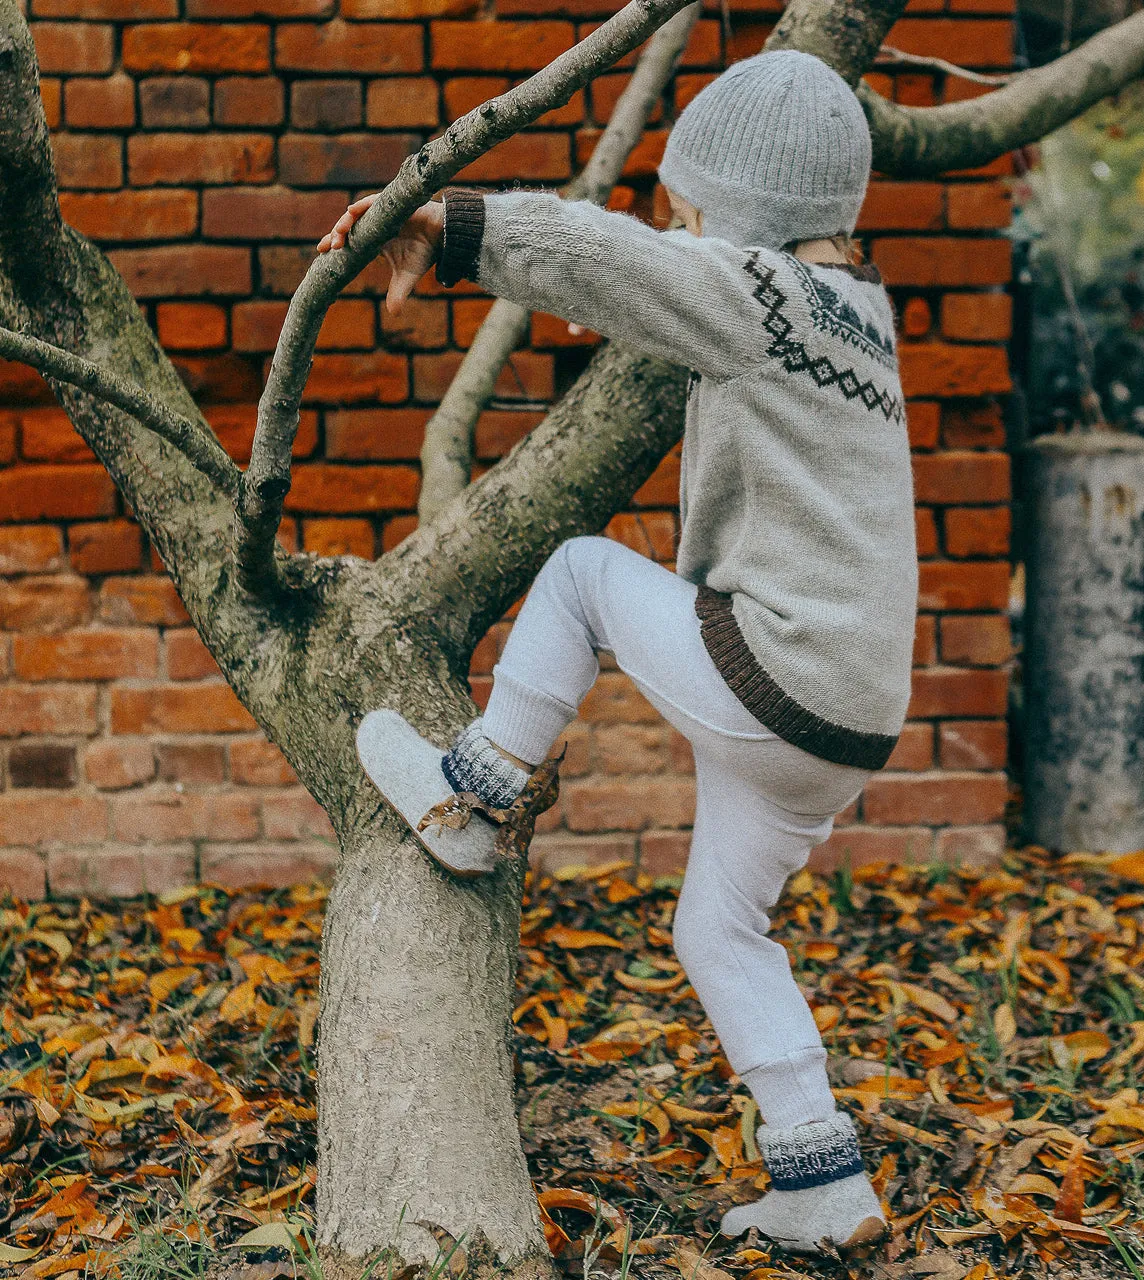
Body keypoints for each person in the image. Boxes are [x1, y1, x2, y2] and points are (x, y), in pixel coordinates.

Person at [321, 49, 917, 1254]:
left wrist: (453, 225)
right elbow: (668, 289)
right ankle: (821, 1174)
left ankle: (471, 795)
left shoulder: (750, 292)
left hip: (778, 665)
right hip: (847, 720)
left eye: (685, 208)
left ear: (734, 219)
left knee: (582, 572)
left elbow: (618, 255)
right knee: (718, 927)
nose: (670, 225)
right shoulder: (859, 315)